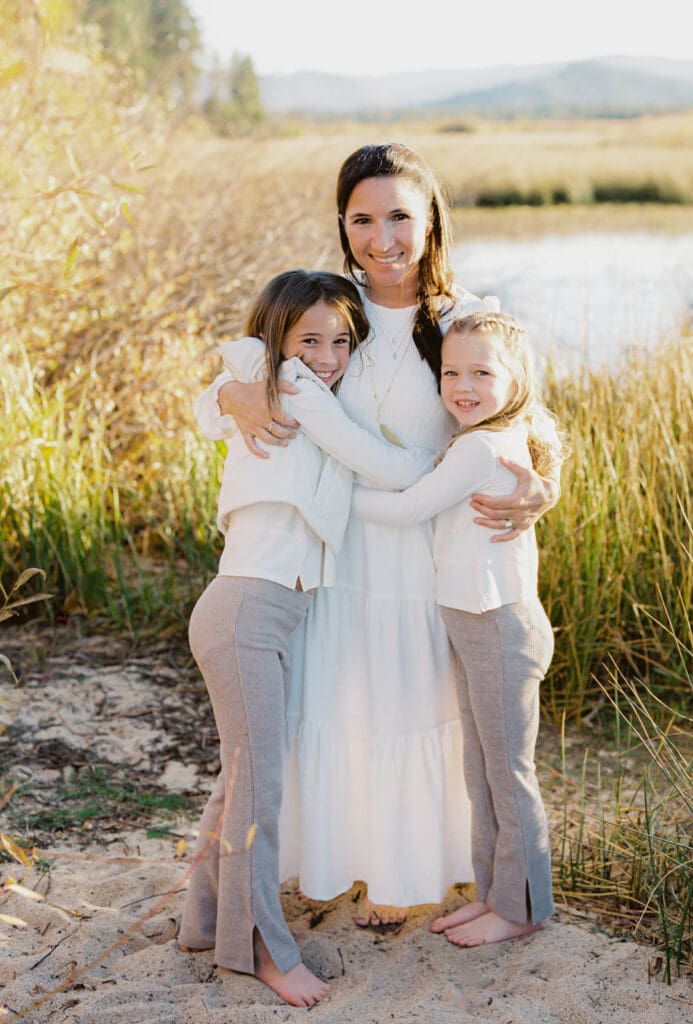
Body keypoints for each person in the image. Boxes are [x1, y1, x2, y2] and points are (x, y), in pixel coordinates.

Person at [194, 143, 561, 926]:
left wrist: (541, 483)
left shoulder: (465, 315)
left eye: (399, 215)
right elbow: (233, 389)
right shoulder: (331, 307)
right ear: (343, 224)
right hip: (334, 557)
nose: (381, 236)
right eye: (362, 218)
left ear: (430, 222)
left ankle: (415, 878)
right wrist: (228, 392)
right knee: (338, 705)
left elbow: (524, 415)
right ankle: (339, 868)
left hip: (426, 558)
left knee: (414, 711)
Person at [177, 269, 434, 1007]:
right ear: (281, 339)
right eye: (310, 338)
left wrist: (225, 393)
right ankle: (259, 950)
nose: (326, 354)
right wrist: (449, 458)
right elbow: (384, 464)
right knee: (259, 791)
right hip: (245, 611)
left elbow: (213, 406)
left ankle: (203, 922)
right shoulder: (290, 386)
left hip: (263, 612)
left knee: (239, 781)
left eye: (342, 340)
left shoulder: (287, 389)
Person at [351, 311, 567, 945]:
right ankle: (491, 893)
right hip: (475, 627)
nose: (462, 385)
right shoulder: (488, 437)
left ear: (515, 378)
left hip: (500, 626)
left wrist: (330, 496)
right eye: (450, 372)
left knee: (507, 773)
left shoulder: (479, 446)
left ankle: (523, 909)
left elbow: (412, 507)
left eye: (481, 372)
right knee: (479, 769)